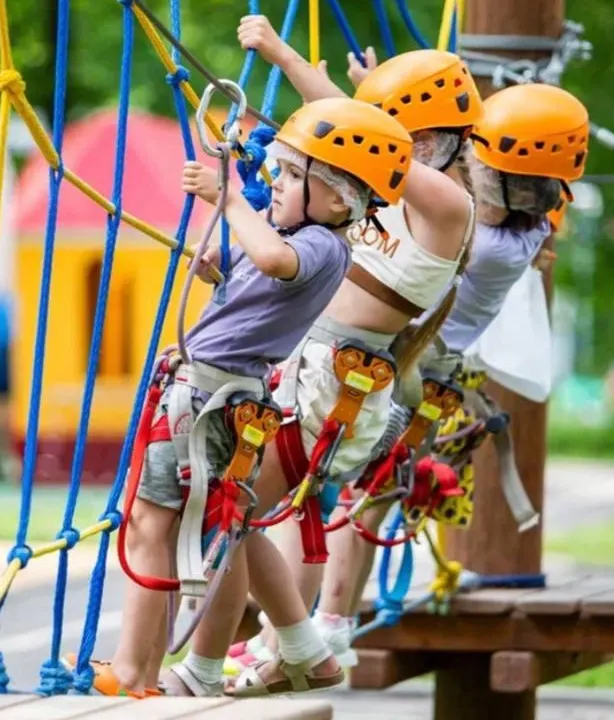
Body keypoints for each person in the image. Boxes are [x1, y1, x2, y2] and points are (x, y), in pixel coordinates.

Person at [171, 18, 483, 698]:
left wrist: (289, 62)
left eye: (410, 134)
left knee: (232, 513)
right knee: (239, 513)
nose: (401, 144)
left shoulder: (448, 205)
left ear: (433, 141)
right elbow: (345, 136)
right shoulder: (386, 204)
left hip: (330, 387)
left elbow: (349, 138)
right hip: (304, 371)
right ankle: (289, 646)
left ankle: (241, 658)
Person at [78, 97, 414, 699]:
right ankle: (145, 670)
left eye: (290, 175)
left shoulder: (322, 248)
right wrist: (215, 264)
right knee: (171, 526)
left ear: (337, 200)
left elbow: (273, 259)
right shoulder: (295, 234)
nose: (274, 183)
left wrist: (228, 199)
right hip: (204, 388)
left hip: (211, 394)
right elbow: (253, 266)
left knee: (153, 523)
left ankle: (134, 670)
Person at [291, 82, 592, 667]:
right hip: (420, 375)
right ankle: (332, 622)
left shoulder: (489, 238)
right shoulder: (525, 223)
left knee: (353, 498)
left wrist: (382, 130)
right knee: (361, 496)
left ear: (516, 186)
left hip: (410, 376)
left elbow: (398, 176)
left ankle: (323, 624)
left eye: (481, 167)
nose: (470, 172)